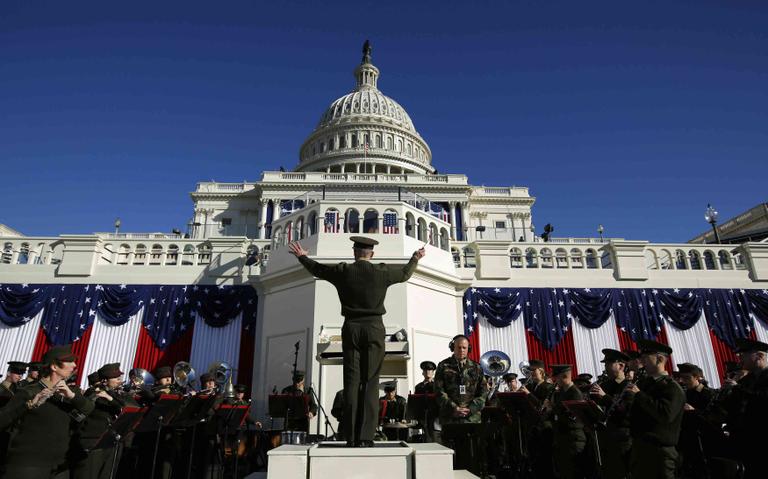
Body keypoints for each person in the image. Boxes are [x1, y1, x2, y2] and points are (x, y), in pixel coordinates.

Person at [288, 237, 424, 447]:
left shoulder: (344, 271)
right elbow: (405, 274)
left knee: (351, 382)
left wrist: (302, 257)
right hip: (374, 329)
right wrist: (415, 258)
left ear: (354, 252)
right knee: (370, 382)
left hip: (351, 328)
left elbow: (318, 270)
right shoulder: (382, 272)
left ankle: (350, 436)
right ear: (372, 254)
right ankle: (366, 437)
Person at [0, 345, 95, 479]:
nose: (74, 365)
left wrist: (72, 396)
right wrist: (29, 405)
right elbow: (3, 419)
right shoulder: (29, 391)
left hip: (59, 467)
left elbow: (88, 410)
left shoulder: (69, 394)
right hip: (29, 465)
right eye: (69, 361)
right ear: (54, 367)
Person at [624, 339, 685, 479]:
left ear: (660, 359)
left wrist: (639, 395)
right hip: (640, 448)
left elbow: (665, 415)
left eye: (645, 357)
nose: (642, 361)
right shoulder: (644, 383)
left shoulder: (671, 387)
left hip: (660, 453)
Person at [435, 334, 487, 474]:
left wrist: (470, 409)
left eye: (464, 347)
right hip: (450, 418)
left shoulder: (476, 368)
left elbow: (483, 394)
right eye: (458, 347)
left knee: (472, 455)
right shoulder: (443, 366)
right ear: (453, 348)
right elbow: (439, 392)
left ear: (468, 348)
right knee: (451, 456)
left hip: (472, 419)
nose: (461, 350)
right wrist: (454, 408)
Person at [71, 363, 129, 479]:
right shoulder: (93, 393)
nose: (119, 380)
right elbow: (81, 411)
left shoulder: (115, 394)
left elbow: (125, 407)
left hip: (109, 442)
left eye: (120, 377)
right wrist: (105, 397)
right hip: (93, 442)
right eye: (116, 378)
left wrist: (110, 398)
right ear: (104, 381)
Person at [723, 338, 768, 479]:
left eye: (743, 356)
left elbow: (763, 400)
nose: (740, 360)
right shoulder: (746, 380)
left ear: (759, 356)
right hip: (746, 440)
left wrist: (738, 389)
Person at [590, 348, 633, 479]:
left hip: (623, 439)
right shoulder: (606, 385)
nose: (606, 367)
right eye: (605, 364)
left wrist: (604, 397)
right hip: (606, 436)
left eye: (609, 364)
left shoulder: (629, 386)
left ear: (621, 366)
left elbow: (625, 411)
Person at [548, 365, 587, 479]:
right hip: (562, 438)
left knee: (573, 472)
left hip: (573, 438)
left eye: (557, 378)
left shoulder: (575, 393)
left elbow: (571, 418)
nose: (555, 381)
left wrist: (552, 408)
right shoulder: (561, 392)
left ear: (565, 376)